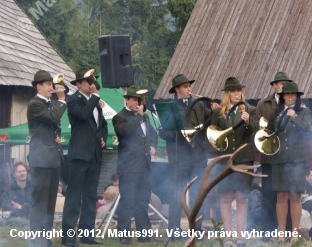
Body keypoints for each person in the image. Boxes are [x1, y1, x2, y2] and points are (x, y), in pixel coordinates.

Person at [158, 73, 217, 236]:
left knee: (198, 194)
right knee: (177, 193)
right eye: (185, 86)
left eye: (189, 86)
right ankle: (174, 231)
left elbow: (209, 124)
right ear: (177, 89)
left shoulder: (198, 105)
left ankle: (196, 231)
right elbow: (162, 132)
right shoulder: (169, 107)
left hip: (198, 157)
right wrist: (179, 133)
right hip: (178, 157)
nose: (189, 89)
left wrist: (214, 111)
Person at [63, 67, 108, 247]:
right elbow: (82, 116)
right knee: (74, 197)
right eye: (89, 81)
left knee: (90, 196)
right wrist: (95, 97)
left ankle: (86, 234)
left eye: (93, 81)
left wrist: (103, 137)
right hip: (80, 155)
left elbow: (102, 125)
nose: (92, 85)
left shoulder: (95, 103)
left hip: (95, 155)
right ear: (78, 84)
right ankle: (67, 237)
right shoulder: (73, 100)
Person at [211, 77, 258, 247]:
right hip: (224, 159)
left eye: (238, 90)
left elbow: (255, 131)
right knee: (225, 196)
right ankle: (228, 237)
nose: (236, 93)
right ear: (227, 93)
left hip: (244, 158)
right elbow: (213, 135)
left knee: (241, 197)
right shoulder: (218, 112)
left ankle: (240, 236)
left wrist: (247, 122)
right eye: (233, 91)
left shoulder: (250, 110)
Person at [113, 86, 158, 244]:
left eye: (139, 100)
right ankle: (124, 235)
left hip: (145, 166)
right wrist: (138, 117)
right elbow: (124, 132)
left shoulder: (144, 117)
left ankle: (144, 234)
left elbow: (153, 134)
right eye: (134, 100)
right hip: (129, 167)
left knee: (143, 201)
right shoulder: (119, 117)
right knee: (128, 201)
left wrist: (153, 145)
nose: (137, 103)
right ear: (127, 100)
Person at [27, 70, 66, 247]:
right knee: (40, 203)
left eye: (52, 84)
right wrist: (62, 99)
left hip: (51, 158)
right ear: (39, 86)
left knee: (50, 203)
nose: (52, 87)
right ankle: (37, 240)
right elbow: (53, 117)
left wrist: (56, 135)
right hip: (40, 160)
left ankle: (45, 239)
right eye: (49, 84)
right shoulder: (35, 103)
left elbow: (53, 125)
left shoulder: (49, 103)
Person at [269, 82, 312, 243]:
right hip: (279, 159)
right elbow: (270, 133)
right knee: (281, 196)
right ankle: (281, 234)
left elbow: (308, 128)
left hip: (297, 160)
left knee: (295, 195)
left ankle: (294, 234)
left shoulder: (304, 111)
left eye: (293, 94)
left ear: (297, 96)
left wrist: (295, 118)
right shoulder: (275, 113)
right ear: (282, 96)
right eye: (287, 94)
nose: (290, 96)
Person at [256, 71, 292, 240]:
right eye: (280, 83)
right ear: (274, 85)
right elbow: (259, 130)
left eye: (286, 83)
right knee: (268, 195)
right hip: (269, 157)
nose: (283, 86)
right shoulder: (263, 104)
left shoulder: (292, 102)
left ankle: (287, 233)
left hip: (286, 158)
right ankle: (267, 233)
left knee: (287, 195)